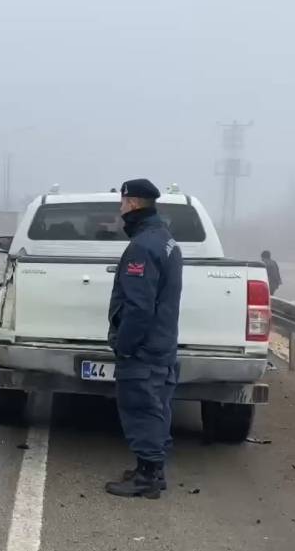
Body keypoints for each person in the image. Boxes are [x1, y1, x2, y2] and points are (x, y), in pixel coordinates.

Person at [104, 179, 183, 499]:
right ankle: (152, 470)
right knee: (158, 406)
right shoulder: (165, 239)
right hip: (162, 342)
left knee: (141, 407)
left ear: (133, 204)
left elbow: (138, 306)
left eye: (122, 204)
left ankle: (147, 477)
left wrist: (125, 345)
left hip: (144, 347)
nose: (121, 210)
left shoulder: (142, 246)